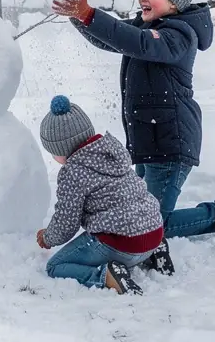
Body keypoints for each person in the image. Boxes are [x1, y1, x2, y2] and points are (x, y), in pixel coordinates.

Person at [52, 0, 215, 274]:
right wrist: (79, 18)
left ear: (175, 1)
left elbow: (135, 42)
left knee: (148, 223)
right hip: (149, 140)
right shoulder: (149, 26)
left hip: (172, 142)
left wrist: (90, 14)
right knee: (140, 216)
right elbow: (112, 39)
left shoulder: (179, 35)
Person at [37, 95, 163, 295]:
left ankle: (107, 276)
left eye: (53, 152)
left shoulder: (73, 171)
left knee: (55, 266)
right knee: (132, 226)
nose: (54, 158)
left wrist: (48, 237)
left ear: (62, 148)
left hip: (124, 245)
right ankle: (154, 255)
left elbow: (66, 222)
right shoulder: (112, 151)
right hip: (155, 233)